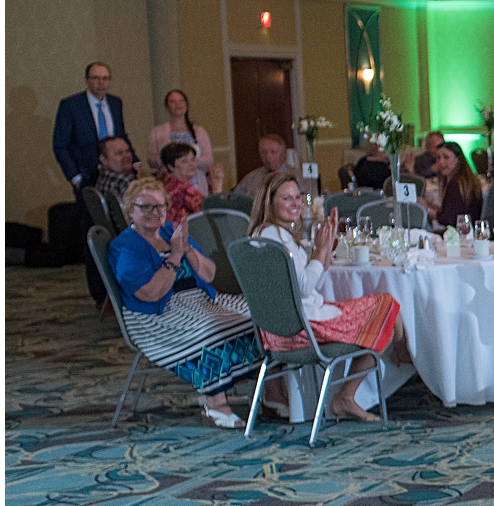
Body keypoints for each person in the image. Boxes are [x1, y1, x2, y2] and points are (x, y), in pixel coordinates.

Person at [106, 177, 263, 428]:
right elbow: (151, 293)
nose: (154, 212)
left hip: (201, 300)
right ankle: (215, 403)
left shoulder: (171, 230)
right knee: (212, 329)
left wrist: (186, 248)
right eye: (145, 207)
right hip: (157, 315)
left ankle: (273, 393)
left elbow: (210, 274)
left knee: (262, 316)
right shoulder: (124, 247)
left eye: (159, 206)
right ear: (129, 210)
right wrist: (176, 254)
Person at [248, 170, 399, 423]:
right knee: (385, 307)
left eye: (297, 197)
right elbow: (306, 287)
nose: (295, 203)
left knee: (385, 307)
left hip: (279, 328)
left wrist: (325, 248)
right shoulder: (277, 239)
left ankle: (353, 392)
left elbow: (309, 278)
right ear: (269, 202)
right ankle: (346, 396)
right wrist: (319, 250)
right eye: (286, 198)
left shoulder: (264, 234)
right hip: (303, 330)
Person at [54, 61, 129, 196]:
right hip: (87, 174)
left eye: (105, 78)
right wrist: (75, 177)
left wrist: (134, 161)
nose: (101, 83)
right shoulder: (71, 105)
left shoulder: (115, 102)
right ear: (87, 80)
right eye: (96, 78)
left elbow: (121, 135)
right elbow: (60, 145)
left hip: (117, 173)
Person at [147, 89, 220, 191]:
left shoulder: (199, 131)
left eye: (181, 101)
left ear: (186, 105)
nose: (178, 104)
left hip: (196, 182)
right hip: (170, 183)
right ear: (167, 107)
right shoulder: (157, 132)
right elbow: (151, 158)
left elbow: (208, 159)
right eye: (173, 102)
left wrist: (187, 162)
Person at [429, 142, 484, 231]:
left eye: (446, 157)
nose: (441, 161)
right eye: (438, 157)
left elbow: (449, 219)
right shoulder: (467, 181)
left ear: (458, 159)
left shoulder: (456, 184)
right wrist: (434, 206)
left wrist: (427, 209)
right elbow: (455, 210)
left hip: (462, 235)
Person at [159, 142, 208, 228]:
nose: (191, 164)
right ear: (170, 166)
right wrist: (217, 185)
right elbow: (210, 212)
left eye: (193, 159)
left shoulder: (163, 184)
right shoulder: (183, 189)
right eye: (184, 161)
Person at [233, 134, 292, 200]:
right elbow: (235, 199)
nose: (268, 157)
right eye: (264, 152)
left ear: (284, 154)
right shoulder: (251, 177)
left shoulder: (294, 176)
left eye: (273, 152)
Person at [93, 135, 139, 209]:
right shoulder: (124, 180)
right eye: (119, 153)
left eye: (127, 151)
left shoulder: (101, 179)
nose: (126, 156)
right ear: (104, 159)